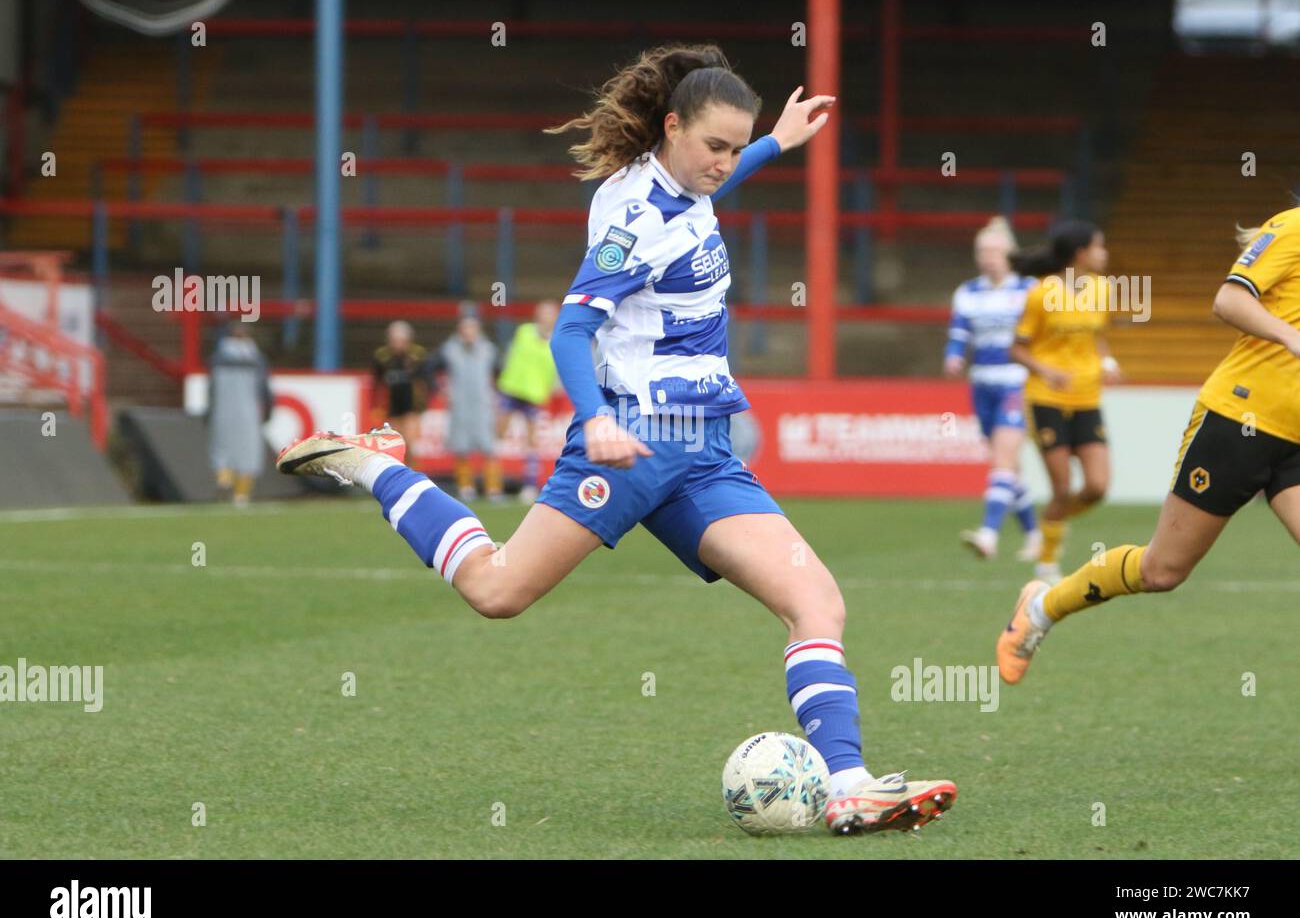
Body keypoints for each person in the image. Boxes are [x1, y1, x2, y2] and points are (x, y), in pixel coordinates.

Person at [277, 43, 955, 835]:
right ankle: (379, 465)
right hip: (631, 440)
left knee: (816, 600)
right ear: (672, 128)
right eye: (715, 145)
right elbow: (571, 330)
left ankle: (850, 786)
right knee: (498, 592)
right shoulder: (633, 219)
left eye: (736, 148)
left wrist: (778, 143)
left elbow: (706, 189)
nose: (724, 162)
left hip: (702, 453)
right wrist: (596, 416)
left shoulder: (689, 184)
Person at [997, 205, 1300, 684]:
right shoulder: (1293, 227)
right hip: (1241, 419)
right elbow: (1228, 301)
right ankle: (1042, 605)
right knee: (1162, 570)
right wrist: (1291, 336)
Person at [1009, 220, 1122, 582]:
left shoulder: (1103, 290)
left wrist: (1106, 361)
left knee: (1097, 487)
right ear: (1081, 253)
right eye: (1100, 246)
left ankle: (1050, 521)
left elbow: (1096, 338)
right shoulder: (1040, 294)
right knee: (1061, 487)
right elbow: (1016, 348)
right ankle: (1047, 562)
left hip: (1088, 398)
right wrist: (1047, 371)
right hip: (1047, 398)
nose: (1104, 253)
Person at [943, 216, 1041, 560]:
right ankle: (1035, 536)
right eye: (982, 251)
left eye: (994, 250)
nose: (987, 257)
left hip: (1017, 381)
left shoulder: (1029, 289)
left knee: (1002, 459)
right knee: (1008, 467)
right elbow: (959, 332)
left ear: (1010, 253)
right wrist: (954, 357)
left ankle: (988, 534)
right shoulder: (968, 292)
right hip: (982, 383)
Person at [431, 312, 503, 502]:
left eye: (472, 328)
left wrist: (496, 393)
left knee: (488, 447)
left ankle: (493, 488)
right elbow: (431, 368)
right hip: (460, 407)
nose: (469, 333)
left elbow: (500, 372)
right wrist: (440, 389)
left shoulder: (488, 350)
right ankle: (466, 488)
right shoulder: (449, 350)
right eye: (465, 329)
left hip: (482, 406)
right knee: (461, 448)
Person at [496, 300, 560, 503]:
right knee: (497, 435)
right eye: (542, 313)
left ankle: (529, 484)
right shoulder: (524, 331)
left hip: (533, 396)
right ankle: (493, 484)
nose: (545, 317)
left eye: (549, 313)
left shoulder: (556, 342)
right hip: (512, 389)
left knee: (532, 442)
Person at [208, 318, 271, 507]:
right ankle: (241, 496)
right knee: (248, 453)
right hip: (248, 412)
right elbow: (264, 388)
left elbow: (211, 389)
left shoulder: (218, 358)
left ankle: (224, 479)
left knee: (222, 449)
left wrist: (209, 410)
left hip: (222, 411)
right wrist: (268, 409)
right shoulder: (256, 359)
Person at [371, 320, 429, 464]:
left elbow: (426, 382)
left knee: (409, 442)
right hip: (392, 407)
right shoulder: (382, 357)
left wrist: (424, 405)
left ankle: (413, 472)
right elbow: (376, 383)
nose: (398, 344)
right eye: (394, 340)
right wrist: (375, 406)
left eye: (401, 341)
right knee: (395, 444)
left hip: (412, 407)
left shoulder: (417, 356)